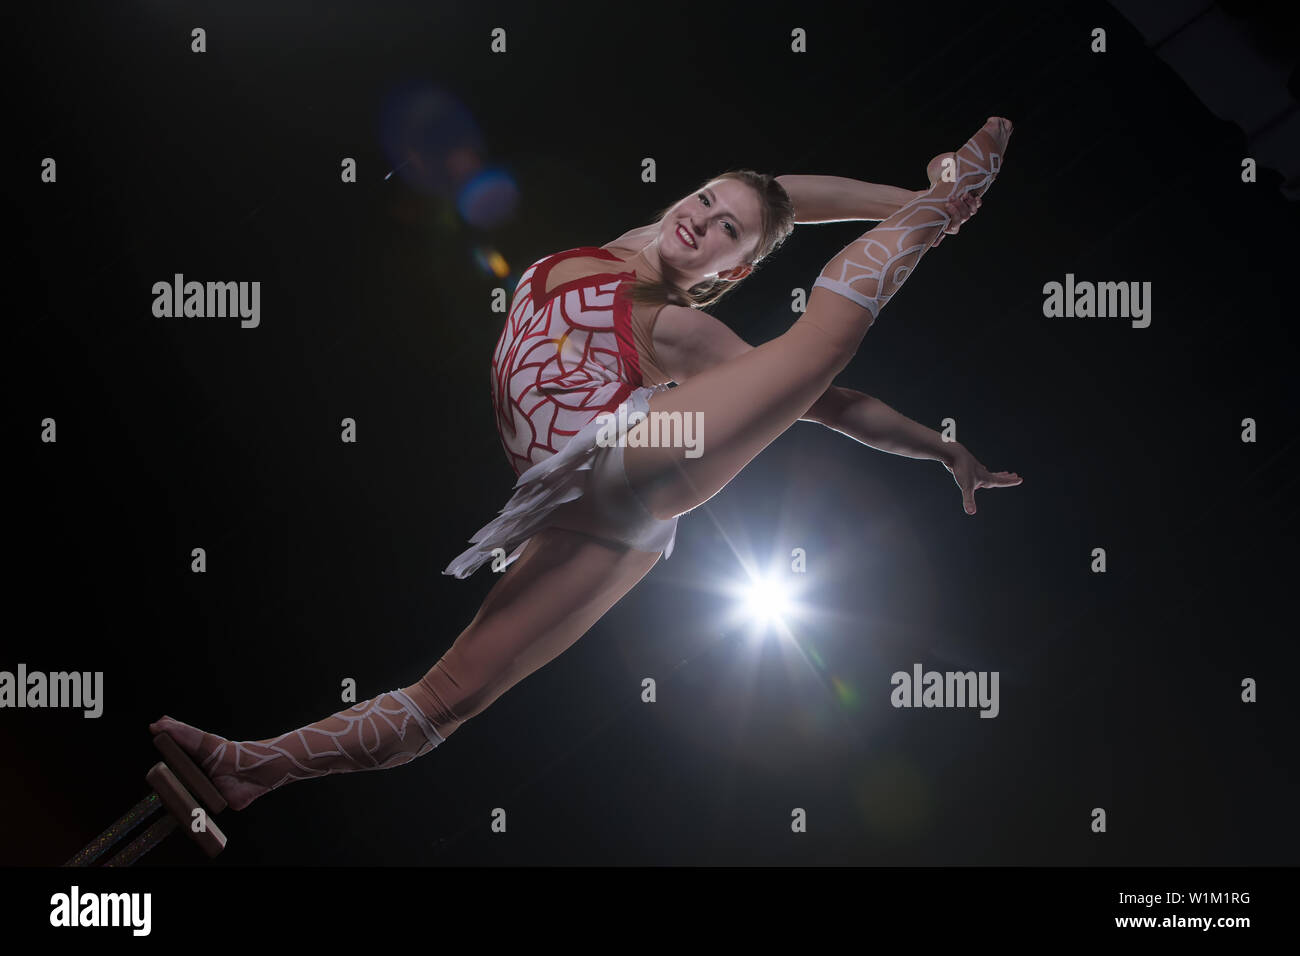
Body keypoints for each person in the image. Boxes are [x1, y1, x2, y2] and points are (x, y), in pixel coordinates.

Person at [151, 117, 1021, 813]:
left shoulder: (682, 327)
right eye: (703, 201)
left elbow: (829, 403)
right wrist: (913, 193)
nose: (702, 221)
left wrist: (940, 445)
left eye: (726, 231)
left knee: (810, 356)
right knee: (448, 696)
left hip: (628, 458)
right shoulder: (631, 246)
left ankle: (946, 209)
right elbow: (780, 192)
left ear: (734, 271)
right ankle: (252, 767)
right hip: (578, 507)